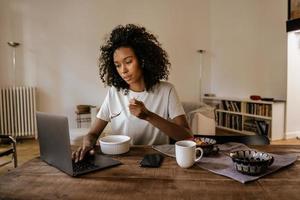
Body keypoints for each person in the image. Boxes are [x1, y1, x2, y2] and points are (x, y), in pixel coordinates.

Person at [73, 24, 192, 162]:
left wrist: (148, 116)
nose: (123, 70)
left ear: (142, 60)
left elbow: (187, 136)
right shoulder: (114, 93)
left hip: (157, 161)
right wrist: (87, 145)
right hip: (121, 161)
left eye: (128, 62)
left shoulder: (167, 90)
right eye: (117, 65)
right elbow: (93, 133)